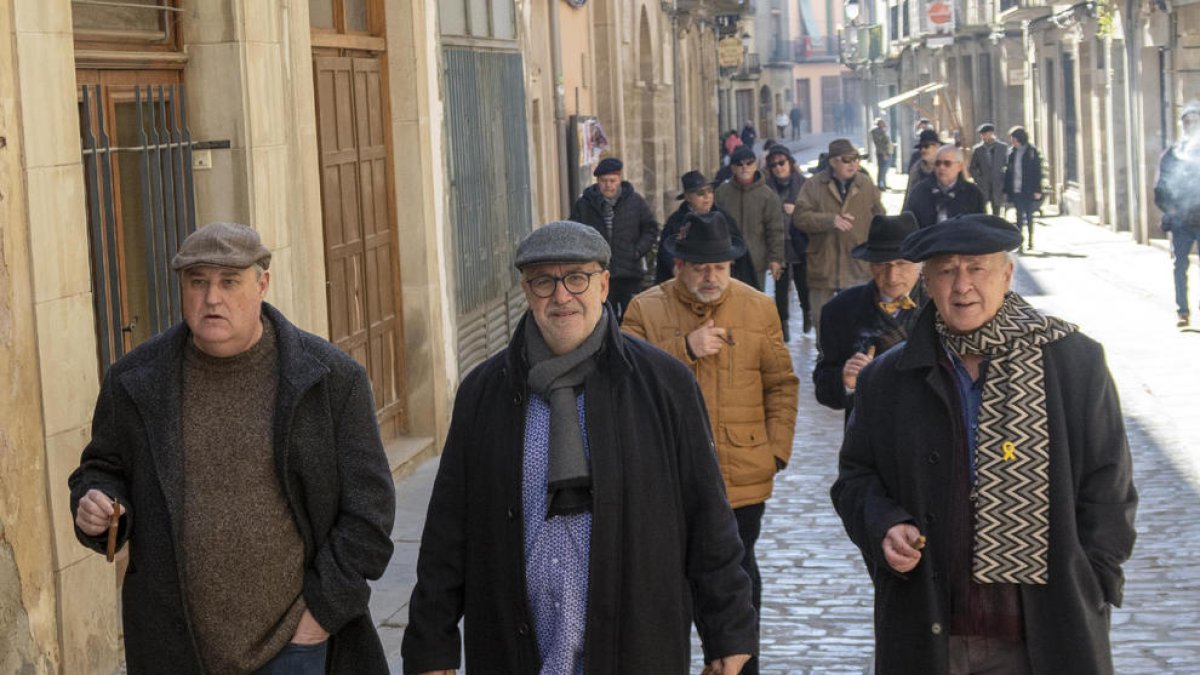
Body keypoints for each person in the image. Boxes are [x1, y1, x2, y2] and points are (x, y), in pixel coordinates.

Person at [402, 221, 757, 674]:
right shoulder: (484, 392)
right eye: (544, 281)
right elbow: (447, 532)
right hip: (515, 650)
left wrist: (728, 631)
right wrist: (432, 648)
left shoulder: (664, 384)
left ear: (604, 284)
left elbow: (709, 518)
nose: (561, 296)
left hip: (635, 645)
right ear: (527, 292)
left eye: (577, 278)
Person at [68, 222, 397, 674]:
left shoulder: (330, 381)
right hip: (176, 648)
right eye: (197, 282)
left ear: (262, 284)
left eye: (229, 282)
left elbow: (369, 516)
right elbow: (102, 470)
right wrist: (98, 506)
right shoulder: (135, 381)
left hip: (296, 646)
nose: (212, 299)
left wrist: (318, 618)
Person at [831, 214, 1138, 675]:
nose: (962, 286)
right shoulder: (887, 379)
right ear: (926, 282)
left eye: (976, 268)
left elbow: (1108, 485)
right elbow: (855, 479)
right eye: (947, 271)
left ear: (1007, 274)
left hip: (1045, 630)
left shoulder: (1074, 362)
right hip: (932, 626)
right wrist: (884, 524)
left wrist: (1094, 580)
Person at [623, 211, 799, 675]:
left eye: (720, 267)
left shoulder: (758, 307)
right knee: (672, 586)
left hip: (741, 476)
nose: (711, 276)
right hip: (668, 479)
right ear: (679, 265)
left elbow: (781, 383)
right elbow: (622, 382)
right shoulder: (644, 308)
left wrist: (774, 452)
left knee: (738, 579)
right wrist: (684, 347)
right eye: (700, 266)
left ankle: (741, 666)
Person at [813, 213, 924, 419]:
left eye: (901, 263)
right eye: (883, 264)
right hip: (866, 436)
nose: (892, 276)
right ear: (870, 264)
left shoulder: (941, 307)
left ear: (920, 264)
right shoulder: (839, 310)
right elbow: (823, 385)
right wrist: (845, 381)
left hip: (927, 434)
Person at [793, 138, 885, 333]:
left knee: (858, 326)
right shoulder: (813, 185)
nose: (853, 164)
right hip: (823, 266)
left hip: (857, 266)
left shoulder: (866, 184)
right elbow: (800, 218)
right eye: (847, 160)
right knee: (823, 324)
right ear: (833, 162)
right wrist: (830, 220)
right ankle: (827, 361)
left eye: (856, 159)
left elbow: (880, 217)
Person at [569, 157, 659, 318]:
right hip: (598, 272)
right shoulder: (585, 204)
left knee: (631, 317)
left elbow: (650, 228)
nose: (608, 185)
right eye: (604, 181)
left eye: (612, 181)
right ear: (597, 181)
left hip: (629, 272)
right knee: (602, 317)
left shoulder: (635, 202)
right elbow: (574, 231)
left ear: (619, 180)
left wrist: (637, 251)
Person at [657, 170, 756, 288]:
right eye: (700, 193)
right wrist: (675, 268)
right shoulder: (677, 221)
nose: (707, 197)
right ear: (688, 197)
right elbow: (666, 251)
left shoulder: (723, 217)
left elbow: (738, 247)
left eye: (710, 191)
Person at [1154, 101, 1200, 327]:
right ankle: (1183, 311)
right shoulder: (1172, 153)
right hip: (1181, 221)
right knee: (1179, 267)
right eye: (1187, 121)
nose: (1191, 125)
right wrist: (1169, 209)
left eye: (1195, 120)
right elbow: (1160, 186)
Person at [716, 145, 786, 291]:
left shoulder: (768, 195)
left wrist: (776, 259)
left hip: (756, 262)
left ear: (755, 165)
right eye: (739, 164)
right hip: (727, 262)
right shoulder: (722, 193)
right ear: (733, 168)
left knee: (753, 303)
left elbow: (775, 230)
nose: (744, 168)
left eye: (749, 163)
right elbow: (715, 226)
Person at [764, 144, 812, 337]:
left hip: (800, 241)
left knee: (803, 283)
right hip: (778, 243)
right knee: (780, 287)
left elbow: (814, 210)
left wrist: (797, 211)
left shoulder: (804, 184)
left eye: (781, 162)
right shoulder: (767, 188)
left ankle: (807, 314)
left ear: (790, 163)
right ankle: (782, 323)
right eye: (774, 164)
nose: (778, 167)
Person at [904, 145, 985, 228]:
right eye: (938, 163)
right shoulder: (920, 191)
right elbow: (907, 224)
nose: (941, 167)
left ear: (959, 166)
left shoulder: (973, 194)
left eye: (947, 163)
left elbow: (981, 228)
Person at [1003, 126, 1044, 251]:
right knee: (1019, 216)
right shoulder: (1011, 152)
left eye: (1013, 139)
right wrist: (1006, 190)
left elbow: (1037, 172)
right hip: (1016, 189)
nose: (1012, 141)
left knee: (1029, 215)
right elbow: (1008, 173)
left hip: (1029, 189)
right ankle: (1020, 243)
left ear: (1019, 138)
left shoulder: (1031, 151)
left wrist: (1038, 190)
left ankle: (1030, 240)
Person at [968, 123, 1009, 216]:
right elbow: (972, 167)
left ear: (991, 133)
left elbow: (1008, 165)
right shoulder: (978, 149)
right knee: (983, 209)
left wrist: (1003, 177)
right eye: (981, 135)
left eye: (985, 134)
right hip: (984, 185)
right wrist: (978, 179)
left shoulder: (1002, 148)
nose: (983, 137)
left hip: (998, 184)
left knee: (997, 210)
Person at [905, 128, 942, 200]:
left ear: (937, 146)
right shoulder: (916, 169)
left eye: (926, 146)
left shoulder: (947, 166)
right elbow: (909, 194)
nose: (923, 150)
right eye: (920, 147)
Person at [870, 118, 895, 191]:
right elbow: (880, 144)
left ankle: (884, 183)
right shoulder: (877, 132)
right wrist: (884, 153)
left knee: (885, 170)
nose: (884, 124)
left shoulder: (883, 131)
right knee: (882, 169)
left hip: (888, 152)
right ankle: (880, 185)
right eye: (882, 122)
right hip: (883, 153)